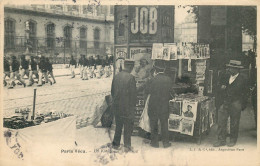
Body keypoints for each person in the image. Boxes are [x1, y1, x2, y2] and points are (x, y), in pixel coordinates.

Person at [213, 60, 248, 147]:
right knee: (221, 121)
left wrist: (242, 105)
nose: (228, 69)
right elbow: (218, 87)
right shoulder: (225, 76)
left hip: (236, 102)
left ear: (236, 69)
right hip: (225, 102)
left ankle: (233, 139)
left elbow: (246, 93)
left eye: (231, 68)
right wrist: (221, 88)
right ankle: (221, 140)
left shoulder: (243, 78)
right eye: (228, 67)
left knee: (234, 122)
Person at [145, 60, 173, 148]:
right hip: (164, 106)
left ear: (155, 70)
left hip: (153, 105)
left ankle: (154, 143)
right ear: (164, 69)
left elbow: (147, 91)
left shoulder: (152, 80)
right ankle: (166, 143)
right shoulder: (168, 80)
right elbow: (171, 94)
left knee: (154, 124)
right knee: (164, 124)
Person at [111, 60, 137, 152]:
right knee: (127, 127)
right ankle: (127, 145)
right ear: (130, 67)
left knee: (118, 125)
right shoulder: (131, 78)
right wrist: (133, 107)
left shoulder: (116, 76)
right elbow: (133, 95)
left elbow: (112, 92)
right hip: (127, 107)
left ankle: (115, 144)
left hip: (117, 106)